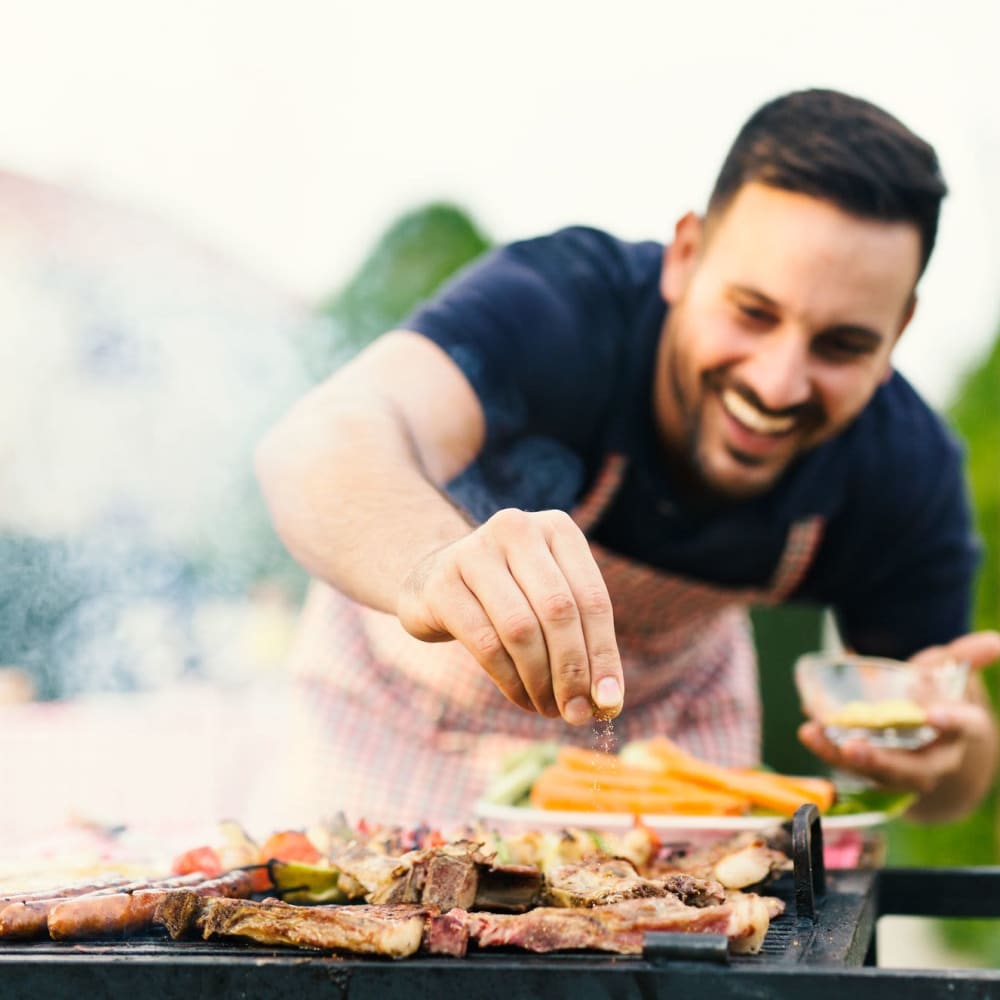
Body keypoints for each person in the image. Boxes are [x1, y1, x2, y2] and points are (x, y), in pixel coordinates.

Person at [256, 88, 999, 828]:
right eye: (752, 312)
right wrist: (431, 568)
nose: (777, 384)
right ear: (684, 257)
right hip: (397, 722)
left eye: (842, 345)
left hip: (670, 752)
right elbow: (319, 442)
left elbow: (953, 780)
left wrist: (942, 759)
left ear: (898, 330)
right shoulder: (563, 306)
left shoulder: (904, 467)